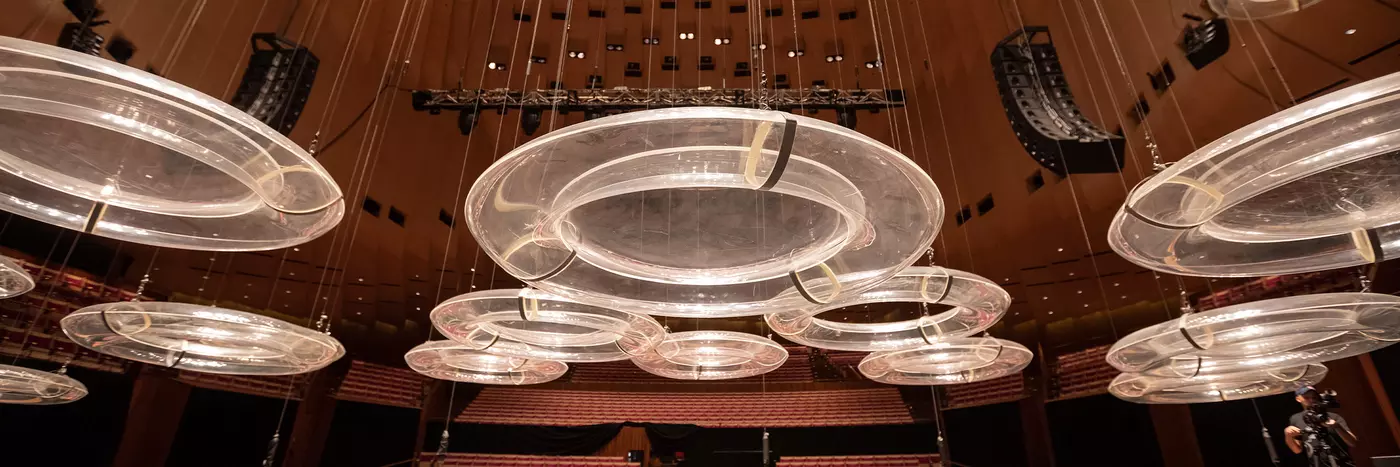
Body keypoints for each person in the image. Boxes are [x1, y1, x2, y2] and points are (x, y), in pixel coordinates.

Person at [1285, 386, 1358, 467]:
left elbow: (1353, 443)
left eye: (1314, 397)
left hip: (1343, 463)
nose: (1311, 400)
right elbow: (1297, 450)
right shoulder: (1296, 419)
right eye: (1306, 397)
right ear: (1298, 399)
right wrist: (1288, 435)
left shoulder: (1333, 417)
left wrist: (1336, 426)